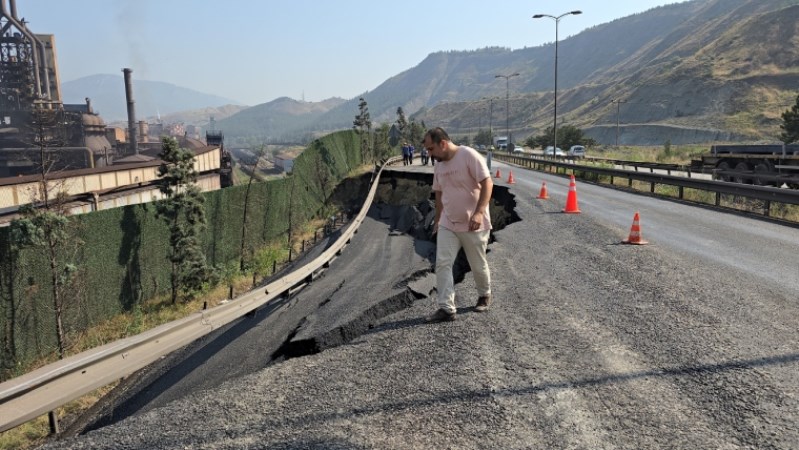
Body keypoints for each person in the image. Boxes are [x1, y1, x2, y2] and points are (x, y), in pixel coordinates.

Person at [422, 127, 493, 323]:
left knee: (477, 263)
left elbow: (488, 183)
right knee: (443, 263)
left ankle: (484, 295)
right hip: (448, 223)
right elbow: (438, 193)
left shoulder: (468, 155)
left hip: (473, 224)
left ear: (443, 144)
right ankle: (446, 308)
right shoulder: (439, 166)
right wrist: (438, 219)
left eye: (430, 149)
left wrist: (479, 212)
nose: (429, 154)